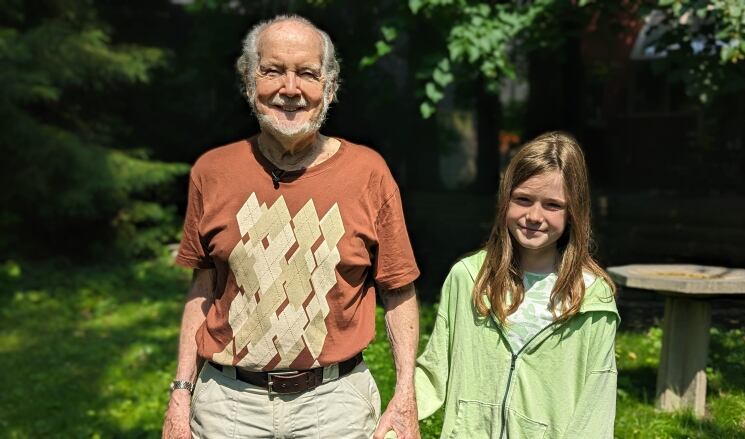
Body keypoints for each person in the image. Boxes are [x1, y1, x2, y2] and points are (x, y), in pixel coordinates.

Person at [162, 15, 421, 439]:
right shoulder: (212, 172)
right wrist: (180, 394)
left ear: (330, 88)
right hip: (228, 405)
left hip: (334, 406)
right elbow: (203, 289)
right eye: (273, 71)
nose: (290, 88)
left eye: (307, 74)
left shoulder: (368, 173)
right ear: (249, 82)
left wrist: (405, 395)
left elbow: (399, 289)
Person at [415, 132, 620, 438]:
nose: (534, 216)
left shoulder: (592, 297)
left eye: (552, 205)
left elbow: (596, 405)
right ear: (505, 199)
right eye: (523, 199)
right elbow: (434, 368)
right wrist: (395, 420)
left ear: (573, 212)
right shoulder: (469, 277)